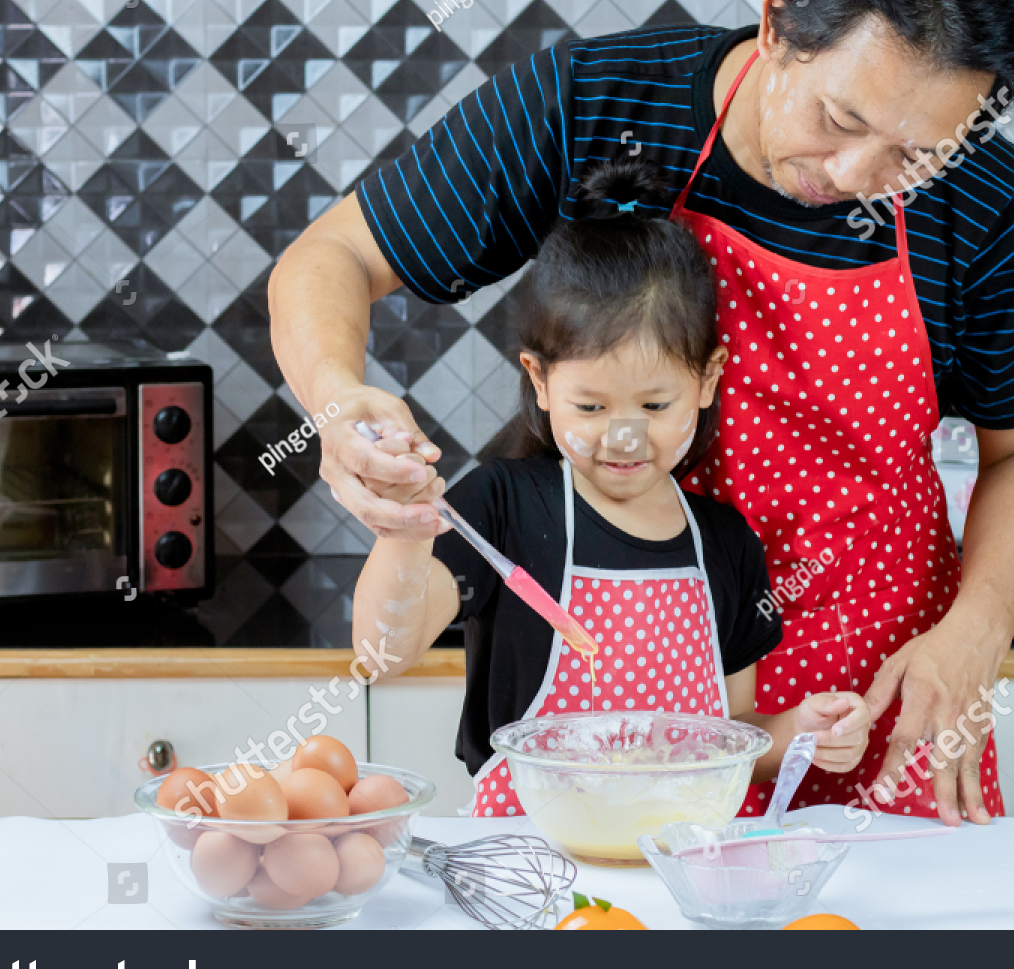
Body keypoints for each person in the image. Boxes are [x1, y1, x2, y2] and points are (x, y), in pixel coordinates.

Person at [270, 0, 1014, 826]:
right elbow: (331, 256)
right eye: (839, 121)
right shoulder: (595, 102)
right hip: (630, 733)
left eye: (913, 155)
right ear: (776, 27)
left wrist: (976, 634)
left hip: (881, 704)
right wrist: (339, 404)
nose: (856, 178)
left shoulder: (990, 198)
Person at [349, 160, 873, 814]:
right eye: (591, 408)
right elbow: (381, 654)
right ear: (540, 381)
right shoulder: (503, 506)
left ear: (708, 380)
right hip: (534, 871)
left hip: (681, 872)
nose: (623, 438)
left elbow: (737, 736)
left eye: (654, 407)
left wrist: (801, 732)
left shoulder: (726, 543)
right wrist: (402, 531)